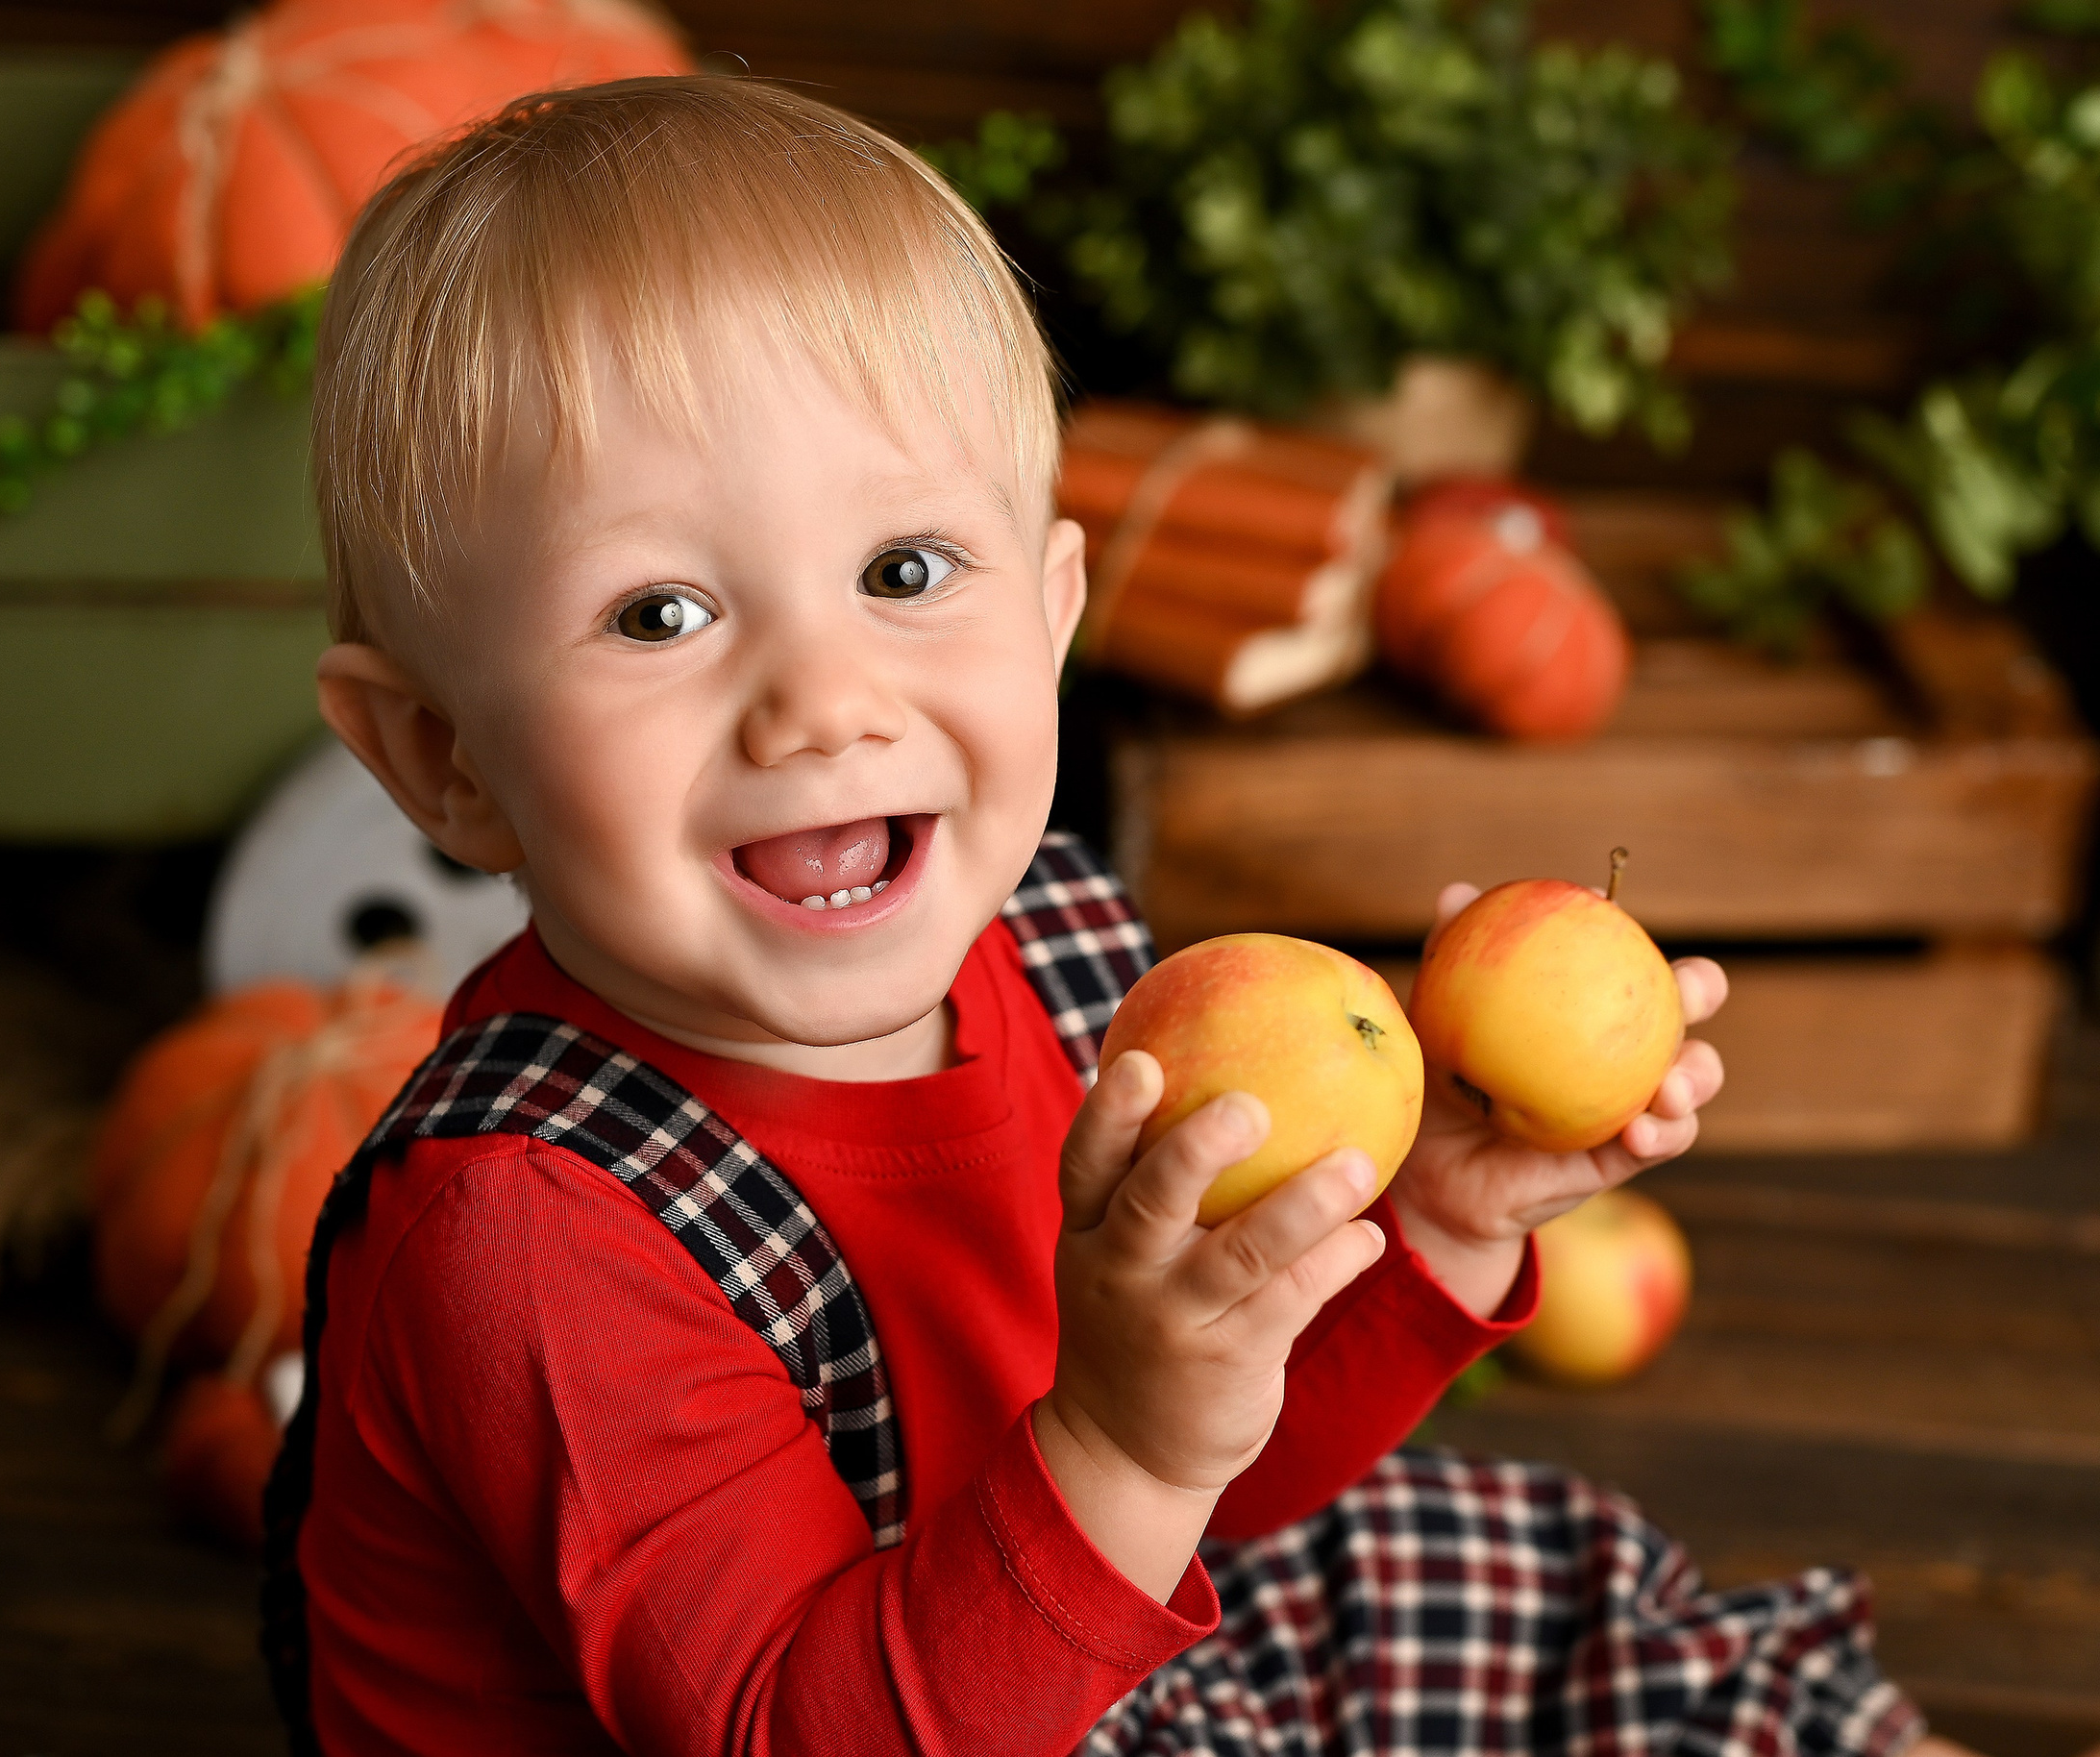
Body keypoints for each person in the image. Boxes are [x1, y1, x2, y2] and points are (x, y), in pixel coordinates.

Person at [260, 73, 1936, 1757]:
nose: (826, 703)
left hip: (1016, 1634)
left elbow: (1223, 1467)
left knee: (1523, 1577)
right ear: (443, 758)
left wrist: (1426, 1219)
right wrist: (1125, 1455)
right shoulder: (524, 1232)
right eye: (661, 611)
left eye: (906, 571)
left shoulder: (1066, 955)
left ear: (1054, 614)